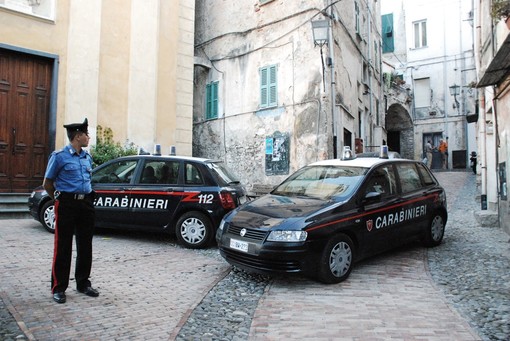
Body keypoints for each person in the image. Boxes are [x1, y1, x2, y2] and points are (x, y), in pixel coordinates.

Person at [43, 118, 99, 304]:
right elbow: (48, 183)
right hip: (66, 203)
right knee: (63, 246)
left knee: (85, 245)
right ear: (77, 136)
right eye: (86, 134)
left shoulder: (87, 157)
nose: (88, 137)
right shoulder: (59, 157)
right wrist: (57, 199)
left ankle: (83, 283)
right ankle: (59, 287)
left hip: (86, 204)